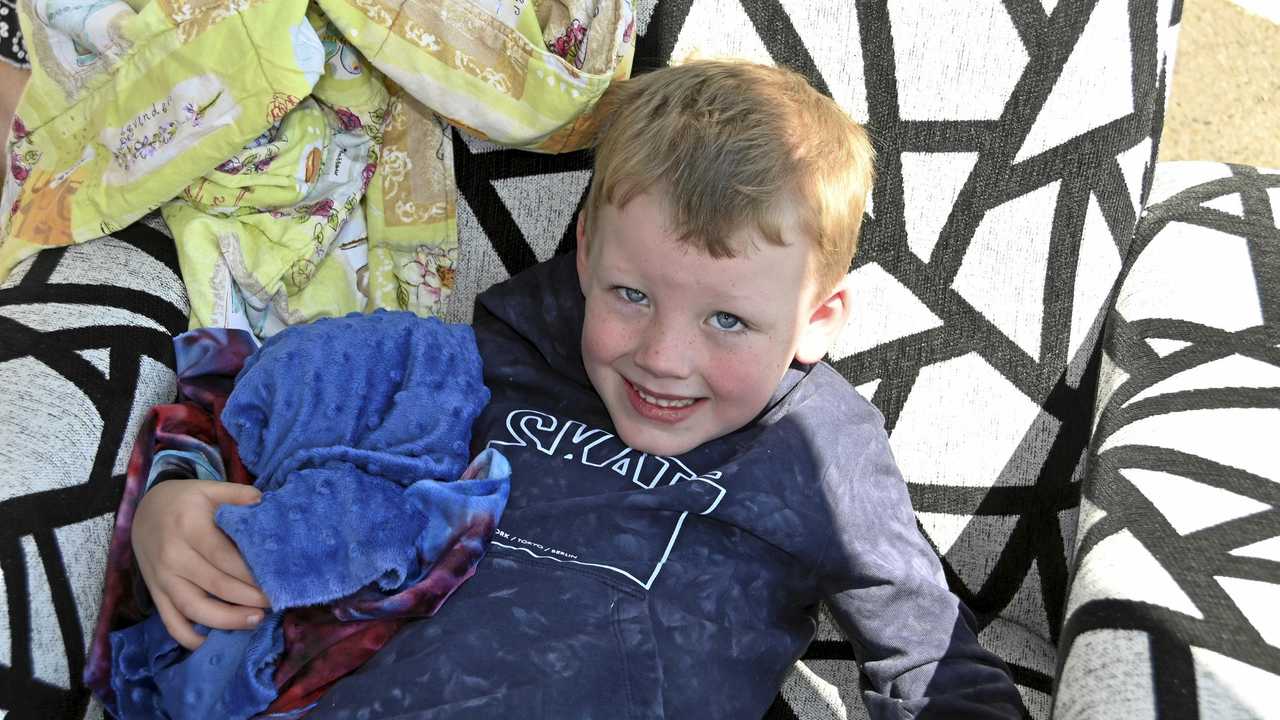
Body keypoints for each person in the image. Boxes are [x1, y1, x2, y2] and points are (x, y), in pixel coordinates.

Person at [132, 60, 1026, 718]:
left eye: (727, 322)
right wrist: (172, 501)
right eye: (632, 296)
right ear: (587, 255)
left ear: (820, 320)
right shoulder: (507, 346)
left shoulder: (821, 450)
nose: (664, 358)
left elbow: (932, 662)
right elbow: (303, 415)